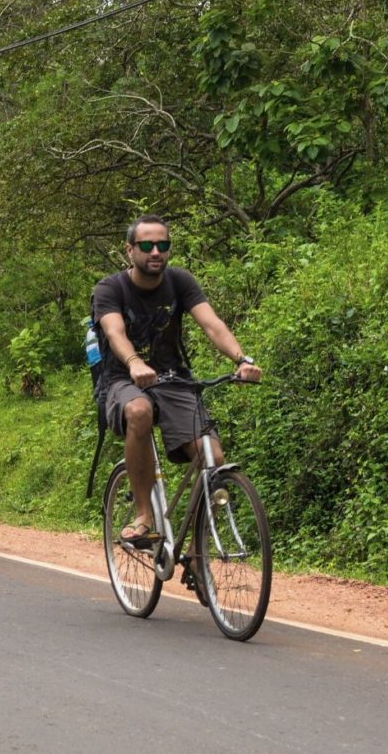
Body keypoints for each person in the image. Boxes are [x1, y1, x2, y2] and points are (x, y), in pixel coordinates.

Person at [92, 214, 262, 546]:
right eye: (146, 245)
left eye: (163, 245)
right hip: (123, 379)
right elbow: (114, 332)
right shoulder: (110, 288)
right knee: (139, 411)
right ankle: (144, 516)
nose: (155, 252)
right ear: (130, 250)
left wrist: (242, 360)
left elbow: (212, 324)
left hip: (172, 379)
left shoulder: (180, 282)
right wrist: (134, 362)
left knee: (212, 455)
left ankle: (197, 547)